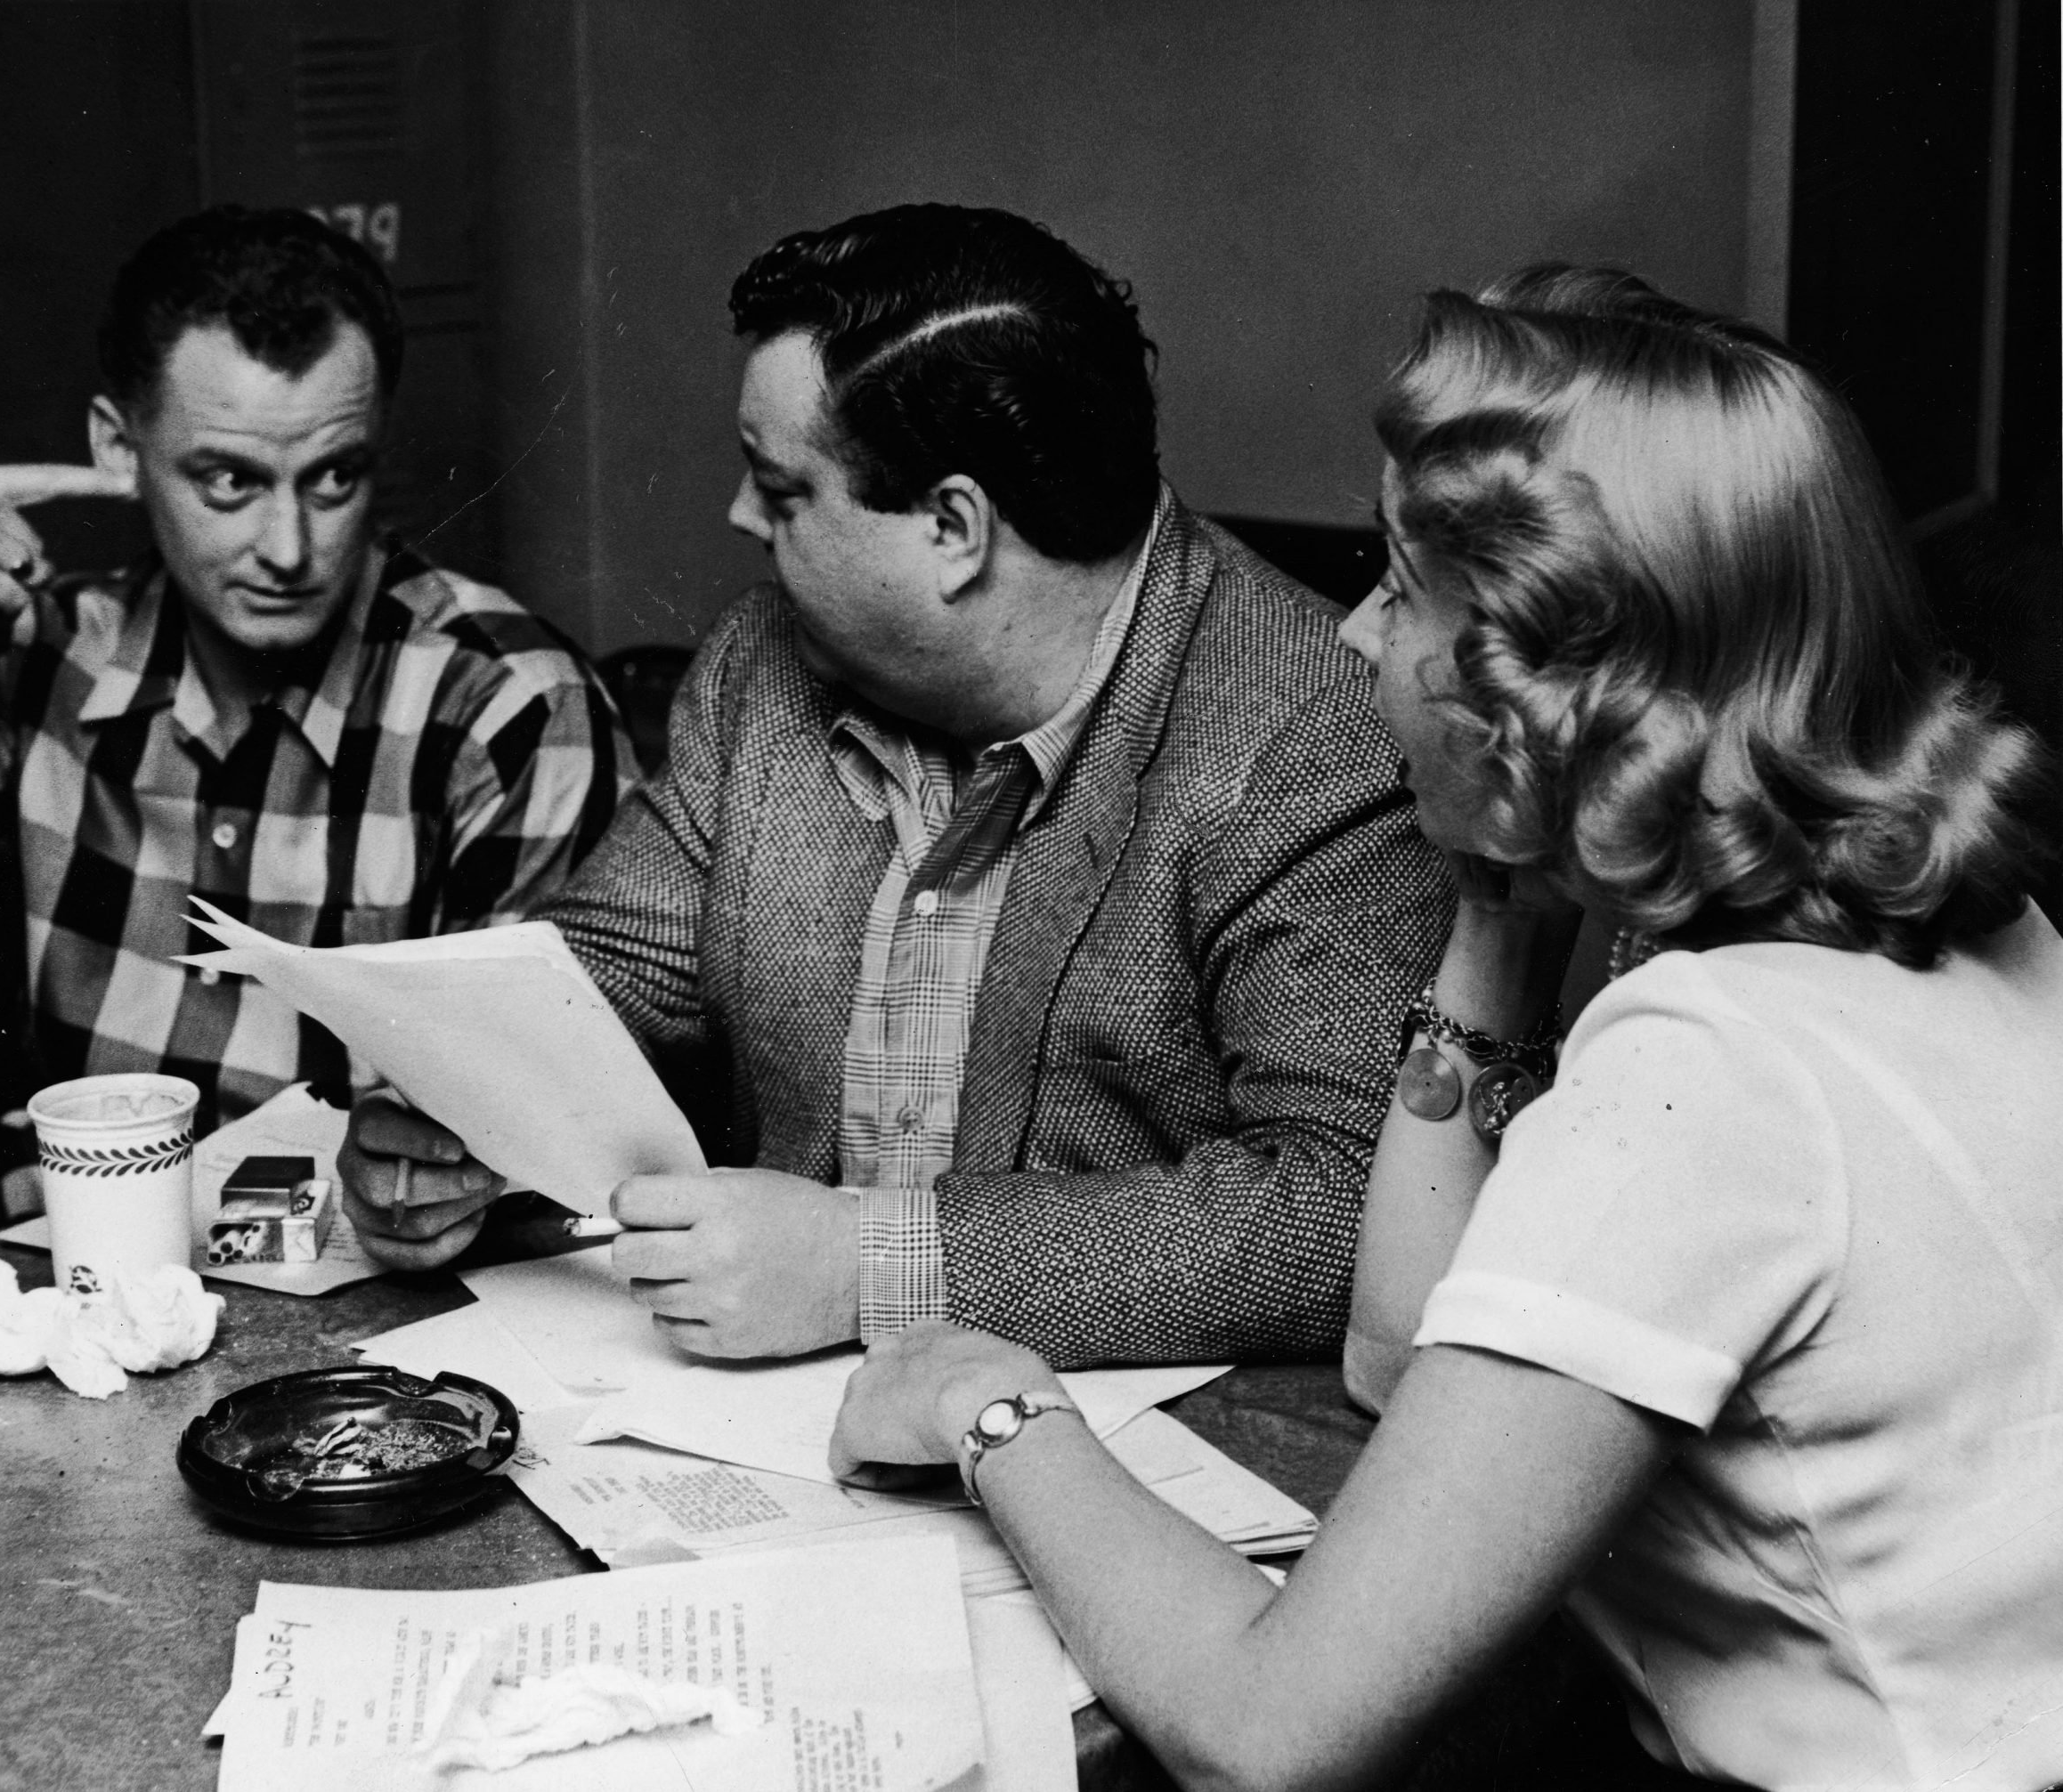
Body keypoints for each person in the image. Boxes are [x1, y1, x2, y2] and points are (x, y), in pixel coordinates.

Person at [826, 268, 2063, 1791]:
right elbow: (1407, 1358)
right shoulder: (1951, 940)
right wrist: (1499, 910)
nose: (1355, 632)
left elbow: (1268, 1730)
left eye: (1405, 592)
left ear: (1540, 686)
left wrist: (993, 1406)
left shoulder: (1710, 1076)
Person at [341, 203, 1450, 1365]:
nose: (737, 520)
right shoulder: (765, 665)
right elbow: (602, 983)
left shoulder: (1317, 737)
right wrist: (461, 1124)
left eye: (780, 493)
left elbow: (1340, 1208)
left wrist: (866, 1272)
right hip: (750, 1428)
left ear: (953, 528)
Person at [0, 206, 631, 1130]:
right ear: (119, 447)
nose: (289, 548)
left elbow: (549, 1125)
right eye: (229, 481)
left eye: (334, 477)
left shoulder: (510, 708)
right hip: (102, 1261)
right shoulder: (49, 653)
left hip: (388, 1269)